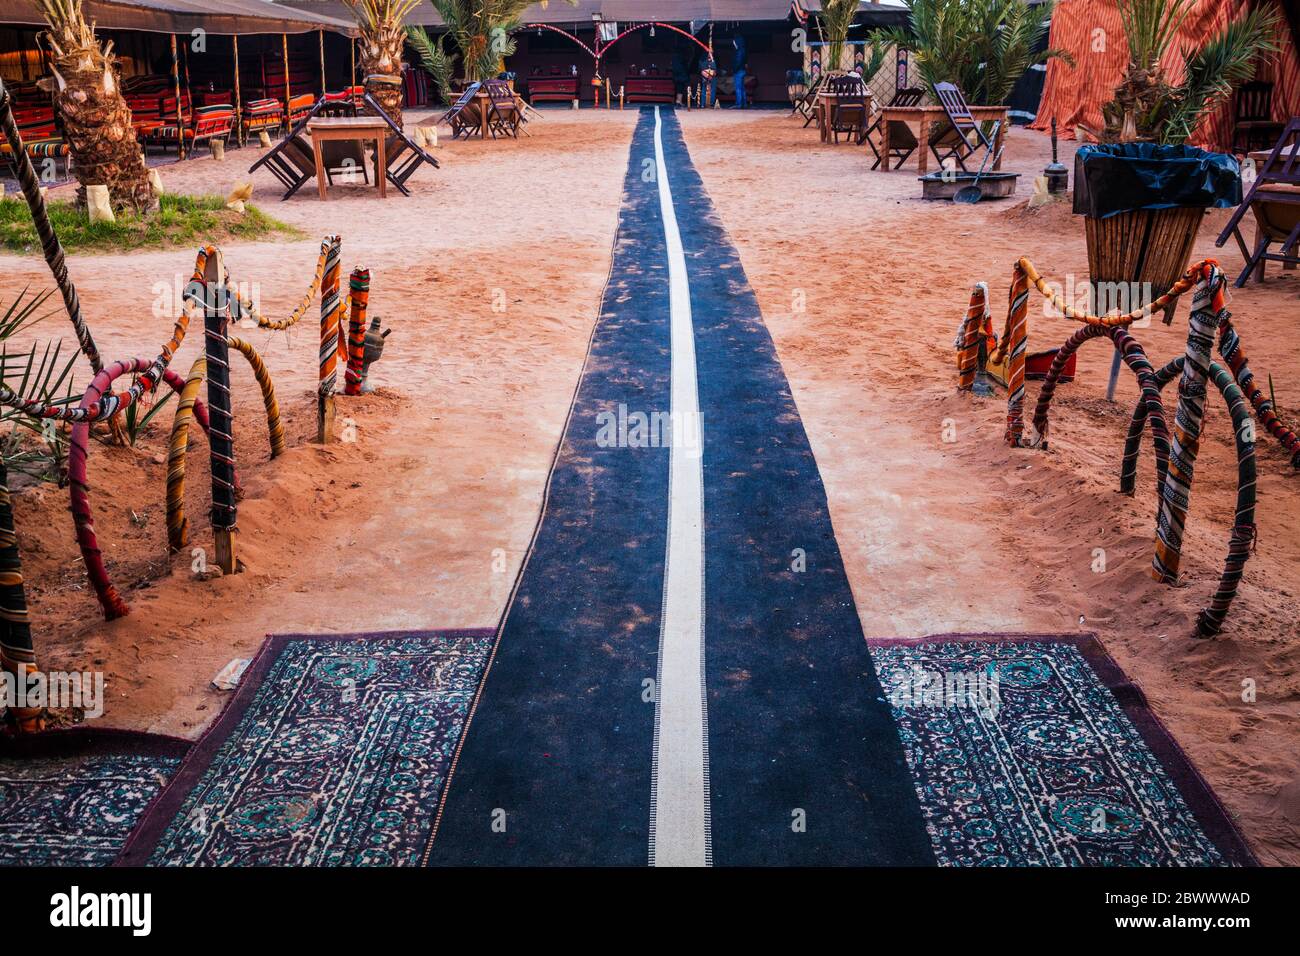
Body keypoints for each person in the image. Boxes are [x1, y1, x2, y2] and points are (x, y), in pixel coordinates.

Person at [731, 35, 748, 108]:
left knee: (738, 88)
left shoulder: (739, 51)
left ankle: (739, 104)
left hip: (739, 71)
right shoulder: (743, 50)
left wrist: (734, 70)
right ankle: (744, 104)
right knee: (742, 88)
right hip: (743, 70)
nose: (734, 44)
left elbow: (738, 62)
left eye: (734, 42)